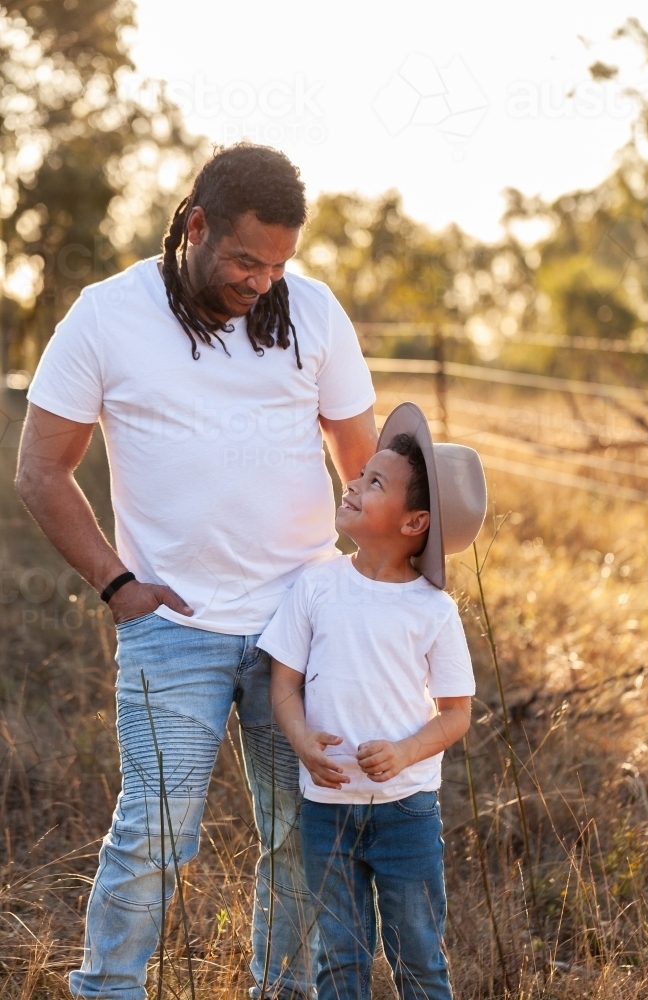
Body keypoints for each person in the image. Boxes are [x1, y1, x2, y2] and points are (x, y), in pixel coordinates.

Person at [15, 142, 378, 1000]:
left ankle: (280, 992)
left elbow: (362, 462)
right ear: (196, 225)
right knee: (155, 833)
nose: (261, 282)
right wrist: (118, 587)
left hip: (303, 627)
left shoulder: (313, 312)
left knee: (300, 831)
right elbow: (40, 471)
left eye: (279, 264)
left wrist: (372, 593)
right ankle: (108, 990)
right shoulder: (106, 316)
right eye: (246, 260)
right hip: (171, 631)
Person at [262, 402, 487, 1000]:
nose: (355, 482)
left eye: (375, 482)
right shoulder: (316, 584)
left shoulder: (433, 610)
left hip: (406, 811)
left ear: (414, 523)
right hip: (327, 806)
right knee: (338, 955)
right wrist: (302, 738)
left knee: (416, 953)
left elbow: (457, 713)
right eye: (360, 475)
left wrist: (408, 750)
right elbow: (283, 684)